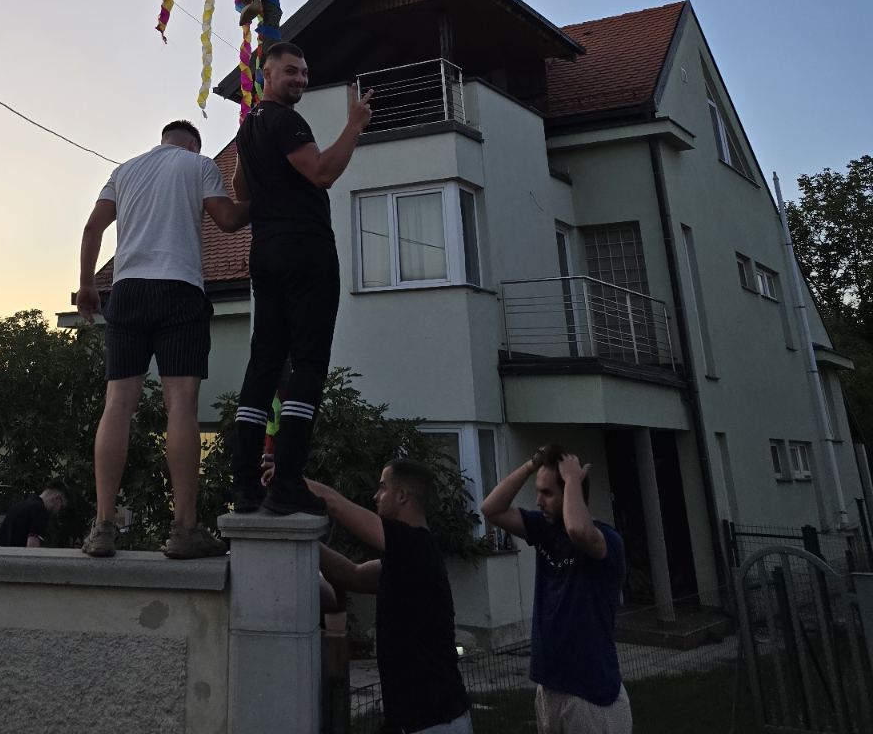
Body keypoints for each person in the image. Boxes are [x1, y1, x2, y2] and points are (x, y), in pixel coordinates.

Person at [77, 118, 248, 559]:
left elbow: (92, 228)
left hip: (128, 289)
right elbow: (227, 220)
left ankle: (103, 526)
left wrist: (88, 285)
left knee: (117, 404)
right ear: (192, 145)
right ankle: (184, 529)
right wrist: (255, 196)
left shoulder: (125, 170)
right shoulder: (199, 165)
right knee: (181, 406)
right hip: (179, 290)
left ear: (163, 140)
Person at [230, 41, 372, 515]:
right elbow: (323, 172)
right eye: (291, 71)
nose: (301, 80)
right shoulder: (288, 121)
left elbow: (239, 188)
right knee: (308, 365)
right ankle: (287, 482)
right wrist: (353, 126)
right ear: (265, 74)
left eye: (305, 73)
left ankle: (246, 486)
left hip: (265, 252)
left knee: (264, 365)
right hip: (305, 249)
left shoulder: (249, 127)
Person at [305, 460, 471, 734]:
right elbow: (352, 574)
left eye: (382, 487)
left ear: (402, 496)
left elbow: (333, 502)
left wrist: (286, 480)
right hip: (414, 720)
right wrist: (306, 539)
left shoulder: (416, 546)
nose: (375, 496)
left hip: (436, 722)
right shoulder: (405, 559)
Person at [481, 445, 631, 733]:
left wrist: (574, 478)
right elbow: (492, 509)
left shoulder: (607, 540)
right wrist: (530, 465)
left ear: (571, 493)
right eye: (538, 492)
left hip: (591, 694)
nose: (538, 501)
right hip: (549, 686)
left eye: (547, 493)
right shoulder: (544, 530)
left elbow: (578, 530)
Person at [0, 483, 68, 548]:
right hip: (18, 561)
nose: (58, 512)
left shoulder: (17, 506)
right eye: (61, 507)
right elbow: (32, 548)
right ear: (57, 498)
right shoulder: (40, 511)